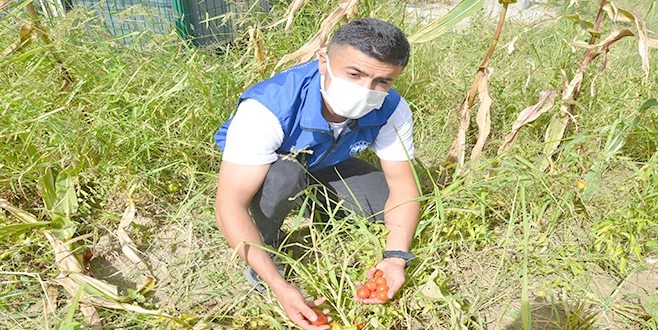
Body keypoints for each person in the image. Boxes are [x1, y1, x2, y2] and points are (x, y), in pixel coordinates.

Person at [214, 17, 420, 330]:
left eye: (382, 81)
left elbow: (403, 187)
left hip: (324, 163)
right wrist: (279, 288)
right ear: (323, 61)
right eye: (354, 73)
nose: (367, 90)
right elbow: (230, 204)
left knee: (383, 201)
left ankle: (318, 211)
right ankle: (268, 254)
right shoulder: (267, 108)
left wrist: (395, 256)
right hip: (270, 170)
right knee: (284, 177)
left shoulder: (392, 108)